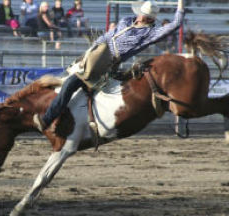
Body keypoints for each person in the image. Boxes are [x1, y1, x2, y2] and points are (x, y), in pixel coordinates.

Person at [33, 0, 185, 132]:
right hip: (96, 54)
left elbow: (175, 24)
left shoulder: (148, 34)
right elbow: (107, 36)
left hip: (108, 64)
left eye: (142, 13)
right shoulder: (126, 21)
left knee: (71, 83)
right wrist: (92, 50)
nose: (139, 15)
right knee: (69, 81)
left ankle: (47, 119)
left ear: (146, 17)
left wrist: (180, 5)